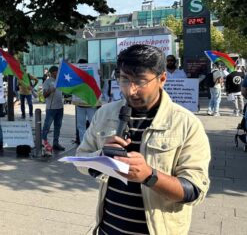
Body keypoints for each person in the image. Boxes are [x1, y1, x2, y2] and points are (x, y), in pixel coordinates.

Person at [76, 44, 210, 235]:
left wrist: (149, 176)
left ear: (162, 79)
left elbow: (194, 191)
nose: (130, 91)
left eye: (140, 81)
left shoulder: (186, 124)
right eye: (124, 80)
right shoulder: (105, 114)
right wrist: (101, 157)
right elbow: (81, 159)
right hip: (107, 229)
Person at [74, 59, 99, 144]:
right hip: (80, 105)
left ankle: (93, 143)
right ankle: (83, 144)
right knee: (81, 126)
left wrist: (99, 76)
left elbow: (99, 85)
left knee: (93, 125)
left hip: (90, 104)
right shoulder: (76, 76)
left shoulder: (93, 74)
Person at [41, 65, 65, 152]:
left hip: (60, 107)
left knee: (58, 126)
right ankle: (43, 141)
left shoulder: (60, 81)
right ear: (51, 73)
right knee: (47, 126)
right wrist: (50, 90)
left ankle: (56, 143)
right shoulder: (47, 82)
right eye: (54, 72)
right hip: (51, 108)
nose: (56, 74)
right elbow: (44, 95)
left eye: (57, 72)